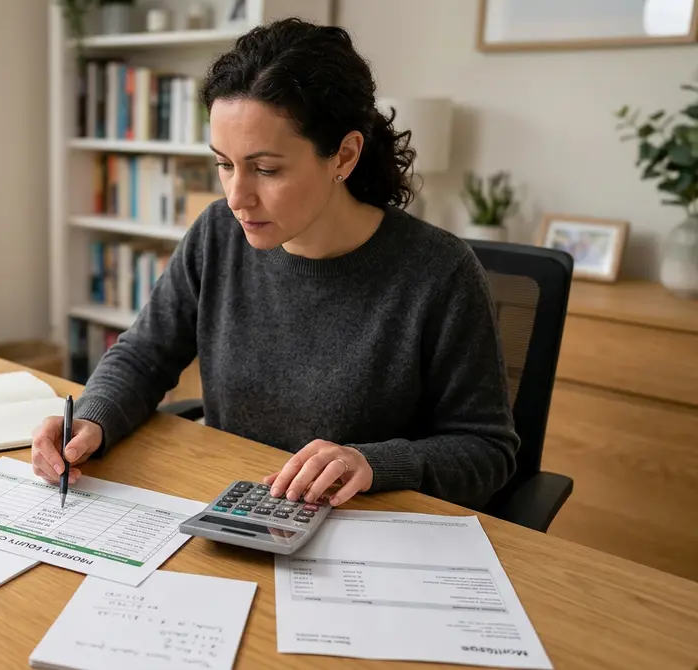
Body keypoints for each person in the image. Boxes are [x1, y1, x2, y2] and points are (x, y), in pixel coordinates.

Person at [31, 17, 519, 510]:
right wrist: (92, 420)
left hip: (366, 530)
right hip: (235, 506)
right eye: (225, 164)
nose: (237, 197)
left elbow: (486, 451)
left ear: (344, 156)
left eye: (266, 169)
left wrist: (371, 463)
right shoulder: (217, 232)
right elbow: (143, 356)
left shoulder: (438, 272)